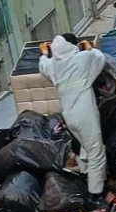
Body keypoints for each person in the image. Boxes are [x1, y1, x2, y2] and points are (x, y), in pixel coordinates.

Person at [38, 33, 107, 201]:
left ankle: (85, 175)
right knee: (96, 151)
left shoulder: (53, 66)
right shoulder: (82, 59)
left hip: (69, 116)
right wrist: (89, 46)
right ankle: (95, 194)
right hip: (85, 113)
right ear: (73, 46)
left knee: (84, 146)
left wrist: (44, 52)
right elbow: (99, 57)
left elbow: (43, 65)